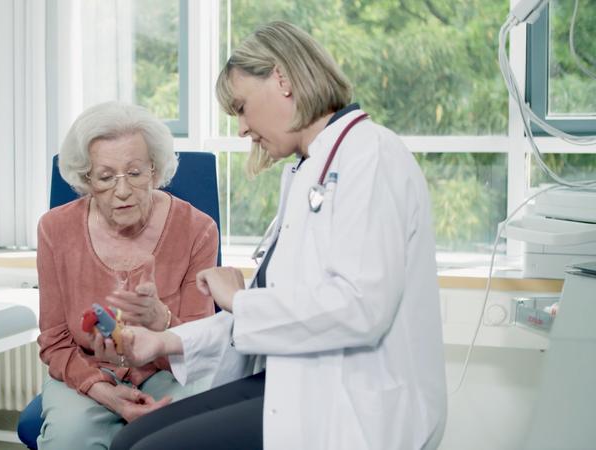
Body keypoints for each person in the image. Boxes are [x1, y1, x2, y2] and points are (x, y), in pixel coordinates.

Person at [110, 21, 446, 450]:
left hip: (351, 403)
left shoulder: (370, 156)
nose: (242, 129)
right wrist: (165, 340)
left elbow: (360, 308)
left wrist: (239, 298)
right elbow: (272, 312)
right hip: (295, 380)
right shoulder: (308, 171)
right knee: (130, 441)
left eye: (242, 107)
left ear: (283, 79)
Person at [35, 101, 219, 450]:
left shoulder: (197, 230)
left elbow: (202, 343)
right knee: (70, 439)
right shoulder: (55, 230)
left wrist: (161, 320)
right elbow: (55, 340)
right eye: (105, 177)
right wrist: (103, 392)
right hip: (88, 375)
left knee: (187, 438)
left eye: (135, 173)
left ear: (155, 169)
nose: (122, 191)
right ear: (86, 178)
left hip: (168, 373)